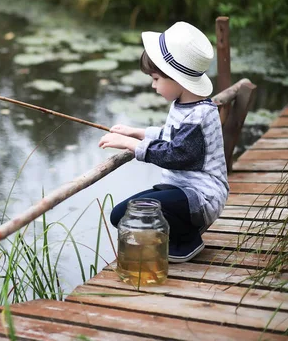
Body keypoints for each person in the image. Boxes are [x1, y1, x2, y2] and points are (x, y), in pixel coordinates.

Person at [98, 21, 229, 263]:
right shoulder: (184, 105)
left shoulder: (200, 115)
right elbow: (172, 135)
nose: (153, 85)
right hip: (180, 191)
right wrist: (138, 132)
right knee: (121, 215)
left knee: (131, 216)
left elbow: (176, 153)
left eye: (156, 78)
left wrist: (131, 146)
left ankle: (185, 242)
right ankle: (179, 235)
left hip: (201, 197)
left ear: (177, 78)